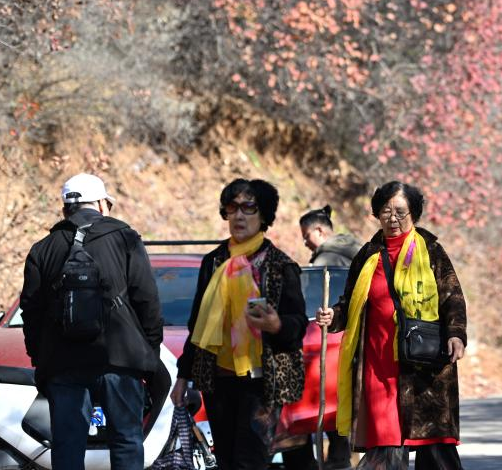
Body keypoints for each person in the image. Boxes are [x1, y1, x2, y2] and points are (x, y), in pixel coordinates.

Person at [315, 181, 468, 470]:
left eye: (401, 212)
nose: (393, 219)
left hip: (424, 363)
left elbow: (453, 297)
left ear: (414, 214)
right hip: (378, 364)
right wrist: (334, 316)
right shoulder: (367, 254)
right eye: (386, 211)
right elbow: (349, 303)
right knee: (386, 444)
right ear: (377, 213)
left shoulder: (431, 251)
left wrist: (457, 334)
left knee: (434, 447)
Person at [21, 173, 163, 470]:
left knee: (68, 444)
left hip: (63, 364)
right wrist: (149, 353)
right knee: (126, 440)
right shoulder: (125, 237)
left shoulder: (42, 248)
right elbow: (147, 299)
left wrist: (41, 359)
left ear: (65, 209)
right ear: (101, 203)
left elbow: (31, 312)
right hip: (120, 360)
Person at [170, 178, 307, 470]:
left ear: (264, 216)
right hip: (217, 381)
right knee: (227, 461)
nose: (240, 215)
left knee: (250, 462)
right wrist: (183, 376)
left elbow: (297, 327)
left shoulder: (280, 266)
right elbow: (198, 324)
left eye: (249, 207)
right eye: (233, 208)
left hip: (262, 384)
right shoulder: (213, 262)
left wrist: (276, 325)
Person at [285, 204, 362, 470]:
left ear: (319, 230)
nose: (305, 242)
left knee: (330, 402)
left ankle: (336, 461)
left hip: (333, 339)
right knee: (342, 403)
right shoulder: (357, 251)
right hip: (358, 339)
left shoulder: (325, 264)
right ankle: (341, 457)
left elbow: (311, 304)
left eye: (307, 236)